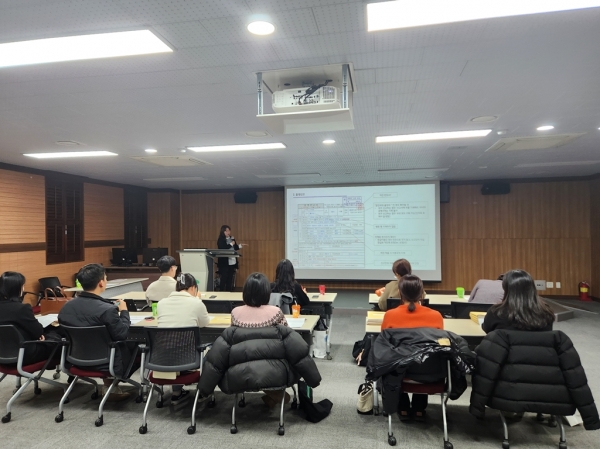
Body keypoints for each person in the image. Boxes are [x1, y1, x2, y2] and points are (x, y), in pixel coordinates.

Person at [199, 272, 321, 409]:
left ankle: (273, 394)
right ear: (266, 292)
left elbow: (218, 357)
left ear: (245, 292)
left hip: (239, 373)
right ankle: (276, 394)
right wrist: (313, 379)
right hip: (275, 372)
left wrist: (205, 388)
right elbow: (294, 347)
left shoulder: (236, 313)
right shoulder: (275, 313)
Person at [58, 264, 137, 400]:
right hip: (106, 363)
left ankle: (109, 387)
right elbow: (122, 334)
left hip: (75, 360)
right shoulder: (107, 310)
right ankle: (114, 386)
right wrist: (124, 311)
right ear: (101, 283)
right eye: (106, 278)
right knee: (137, 345)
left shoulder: (66, 307)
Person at [381, 274, 444, 422]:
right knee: (423, 356)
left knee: (396, 358)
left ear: (400, 293)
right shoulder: (436, 316)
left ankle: (402, 407)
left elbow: (385, 344)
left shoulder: (390, 315)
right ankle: (419, 409)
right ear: (422, 294)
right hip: (430, 372)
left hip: (399, 373)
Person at [156, 272, 210, 404]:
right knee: (213, 347)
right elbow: (205, 323)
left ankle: (176, 392)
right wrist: (198, 300)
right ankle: (204, 391)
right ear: (193, 288)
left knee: (174, 344)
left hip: (162, 359)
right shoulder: (196, 303)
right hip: (189, 360)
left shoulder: (161, 303)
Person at [0, 271, 59, 365]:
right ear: (17, 288)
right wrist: (39, 335)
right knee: (59, 339)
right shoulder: (21, 308)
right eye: (23, 286)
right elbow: (38, 331)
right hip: (24, 355)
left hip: (3, 356)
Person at [482, 269, 554, 333]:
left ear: (506, 289)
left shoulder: (496, 312)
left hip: (505, 345)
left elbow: (486, 329)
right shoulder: (546, 313)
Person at [216, 225, 243, 292]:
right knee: (224, 278)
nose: (228, 232)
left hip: (232, 262)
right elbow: (222, 248)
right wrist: (231, 244)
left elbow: (235, 247)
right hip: (224, 262)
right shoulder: (221, 239)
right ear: (223, 232)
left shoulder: (232, 238)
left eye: (229, 230)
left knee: (230, 278)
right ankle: (221, 292)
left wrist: (240, 245)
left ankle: (229, 292)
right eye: (226, 231)